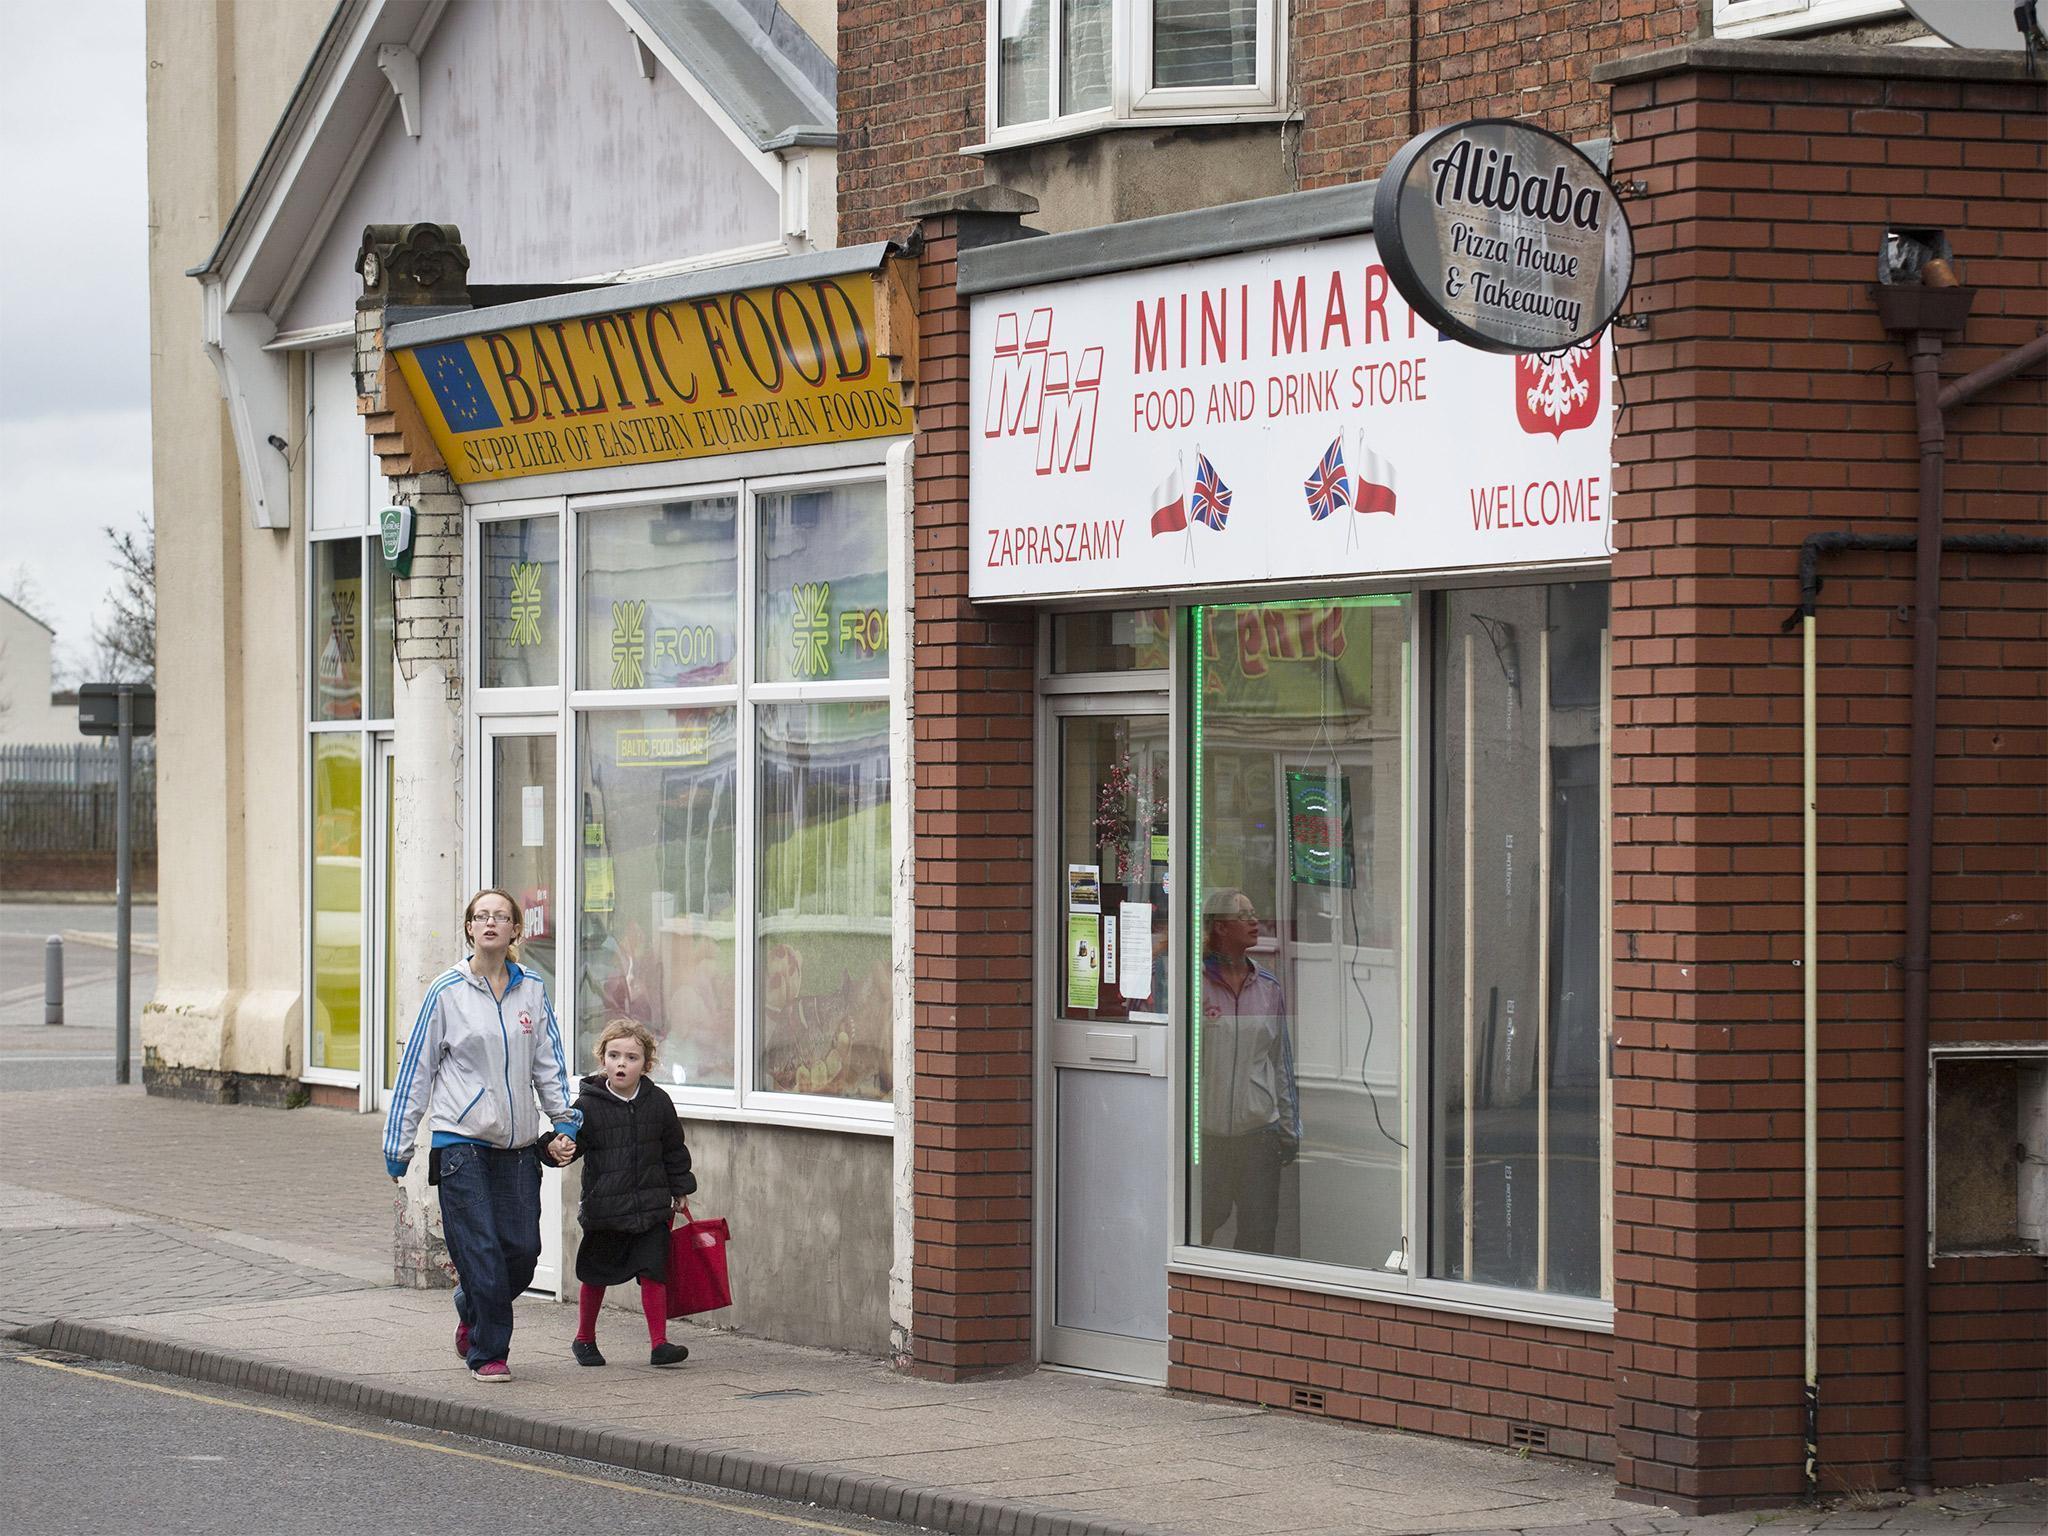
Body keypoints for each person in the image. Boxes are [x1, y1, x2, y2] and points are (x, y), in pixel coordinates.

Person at [382, 888, 580, 1384]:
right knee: (483, 1252)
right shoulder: (446, 991)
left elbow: (548, 1062)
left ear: (516, 930)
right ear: (469, 928)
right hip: (460, 1144)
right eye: (481, 916)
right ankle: (488, 1351)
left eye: (502, 916)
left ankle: (470, 1302)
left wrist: (563, 1120)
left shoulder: (531, 988)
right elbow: (416, 1070)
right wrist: (398, 1145)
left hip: (516, 1148)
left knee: (522, 1253)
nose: (491, 923)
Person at [552, 1018, 696, 1368]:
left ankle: (659, 1343)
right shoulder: (588, 1104)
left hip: (650, 1207)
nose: (621, 1063)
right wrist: (557, 1147)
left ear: (646, 1065)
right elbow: (571, 1141)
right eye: (614, 1055)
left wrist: (680, 1188)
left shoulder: (658, 1102)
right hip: (606, 1209)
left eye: (631, 1057)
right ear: (602, 1059)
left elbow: (673, 1149)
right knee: (595, 1273)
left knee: (653, 1271)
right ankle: (584, 1338)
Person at [1198, 888, 1300, 1254]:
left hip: (1258, 1133)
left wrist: (1289, 1128)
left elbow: (1280, 1062)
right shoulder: (1197, 985)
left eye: (1254, 913)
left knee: (1258, 1233)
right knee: (1201, 1224)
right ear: (1221, 927)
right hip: (1207, 1137)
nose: (1254, 921)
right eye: (1244, 916)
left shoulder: (1268, 987)